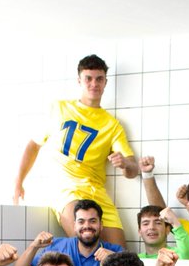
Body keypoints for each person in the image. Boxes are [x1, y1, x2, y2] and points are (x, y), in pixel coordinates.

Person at [13, 53, 137, 248]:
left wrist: (125, 163)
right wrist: (18, 182)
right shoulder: (59, 108)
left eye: (99, 79)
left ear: (105, 82)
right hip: (67, 190)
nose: (94, 84)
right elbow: (33, 145)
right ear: (79, 80)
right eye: (88, 78)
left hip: (97, 193)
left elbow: (133, 170)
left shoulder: (112, 125)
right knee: (87, 245)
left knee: (123, 258)